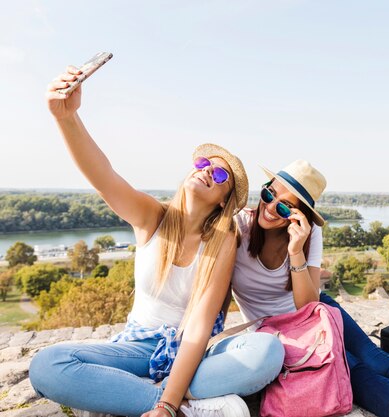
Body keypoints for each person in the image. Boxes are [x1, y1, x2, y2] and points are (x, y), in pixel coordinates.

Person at [29, 65, 284, 417]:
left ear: (224, 201)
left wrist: (166, 399)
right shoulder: (153, 218)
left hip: (194, 352)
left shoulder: (222, 241)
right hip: (137, 348)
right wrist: (66, 117)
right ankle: (184, 407)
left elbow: (196, 330)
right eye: (203, 162)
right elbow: (104, 176)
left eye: (220, 173)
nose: (207, 170)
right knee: (48, 364)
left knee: (267, 352)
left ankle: (153, 396)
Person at [230, 160, 389, 417]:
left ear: (300, 215)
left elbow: (308, 306)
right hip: (280, 334)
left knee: (379, 361)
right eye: (269, 194)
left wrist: (295, 252)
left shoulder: (308, 234)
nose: (271, 207)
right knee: (354, 372)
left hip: (317, 313)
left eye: (285, 208)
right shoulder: (238, 229)